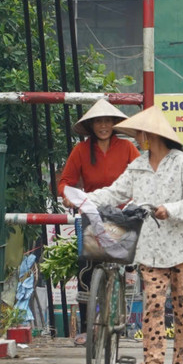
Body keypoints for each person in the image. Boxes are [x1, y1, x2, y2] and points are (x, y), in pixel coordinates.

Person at [80, 106, 183, 364]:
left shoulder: (181, 162)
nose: (137, 138)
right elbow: (114, 192)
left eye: (141, 133)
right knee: (153, 305)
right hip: (149, 249)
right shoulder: (136, 167)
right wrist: (83, 199)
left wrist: (169, 209)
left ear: (152, 135)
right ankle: (153, 362)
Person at [58, 99, 138, 345]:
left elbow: (142, 175)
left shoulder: (126, 148)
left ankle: (123, 306)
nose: (103, 126)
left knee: (127, 261)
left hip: (121, 214)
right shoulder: (80, 151)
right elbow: (65, 183)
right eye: (98, 122)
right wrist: (68, 197)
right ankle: (86, 328)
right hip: (92, 213)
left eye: (107, 121)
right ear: (91, 125)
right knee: (85, 264)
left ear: (114, 124)